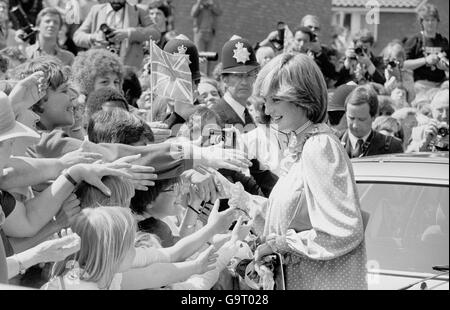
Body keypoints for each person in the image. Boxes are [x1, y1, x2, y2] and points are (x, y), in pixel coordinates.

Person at [220, 53, 368, 289]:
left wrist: (280, 245)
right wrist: (249, 203)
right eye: (265, 101)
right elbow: (295, 219)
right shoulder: (307, 144)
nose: (267, 110)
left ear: (302, 98)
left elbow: (344, 230)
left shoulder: (319, 146)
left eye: (275, 100)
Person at [73, 0, 161, 70]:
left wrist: (128, 33)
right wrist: (93, 38)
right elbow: (77, 36)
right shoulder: (96, 10)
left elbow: (155, 32)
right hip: (99, 67)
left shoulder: (139, 10)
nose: (116, 1)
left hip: (128, 67)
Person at [340, 85, 404, 158]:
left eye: (361, 119)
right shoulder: (333, 142)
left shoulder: (392, 146)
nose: (355, 125)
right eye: (351, 118)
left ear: (374, 116)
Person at [210, 37, 259, 130]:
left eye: (249, 75)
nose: (244, 82)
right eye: (238, 76)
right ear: (224, 79)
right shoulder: (214, 117)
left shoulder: (245, 113)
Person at [403, 3, 449, 92]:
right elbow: (404, 64)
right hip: (421, 85)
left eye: (433, 20)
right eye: (427, 20)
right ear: (422, 22)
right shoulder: (415, 40)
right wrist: (425, 60)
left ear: (437, 21)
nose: (430, 23)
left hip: (441, 84)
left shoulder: (443, 41)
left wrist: (445, 67)